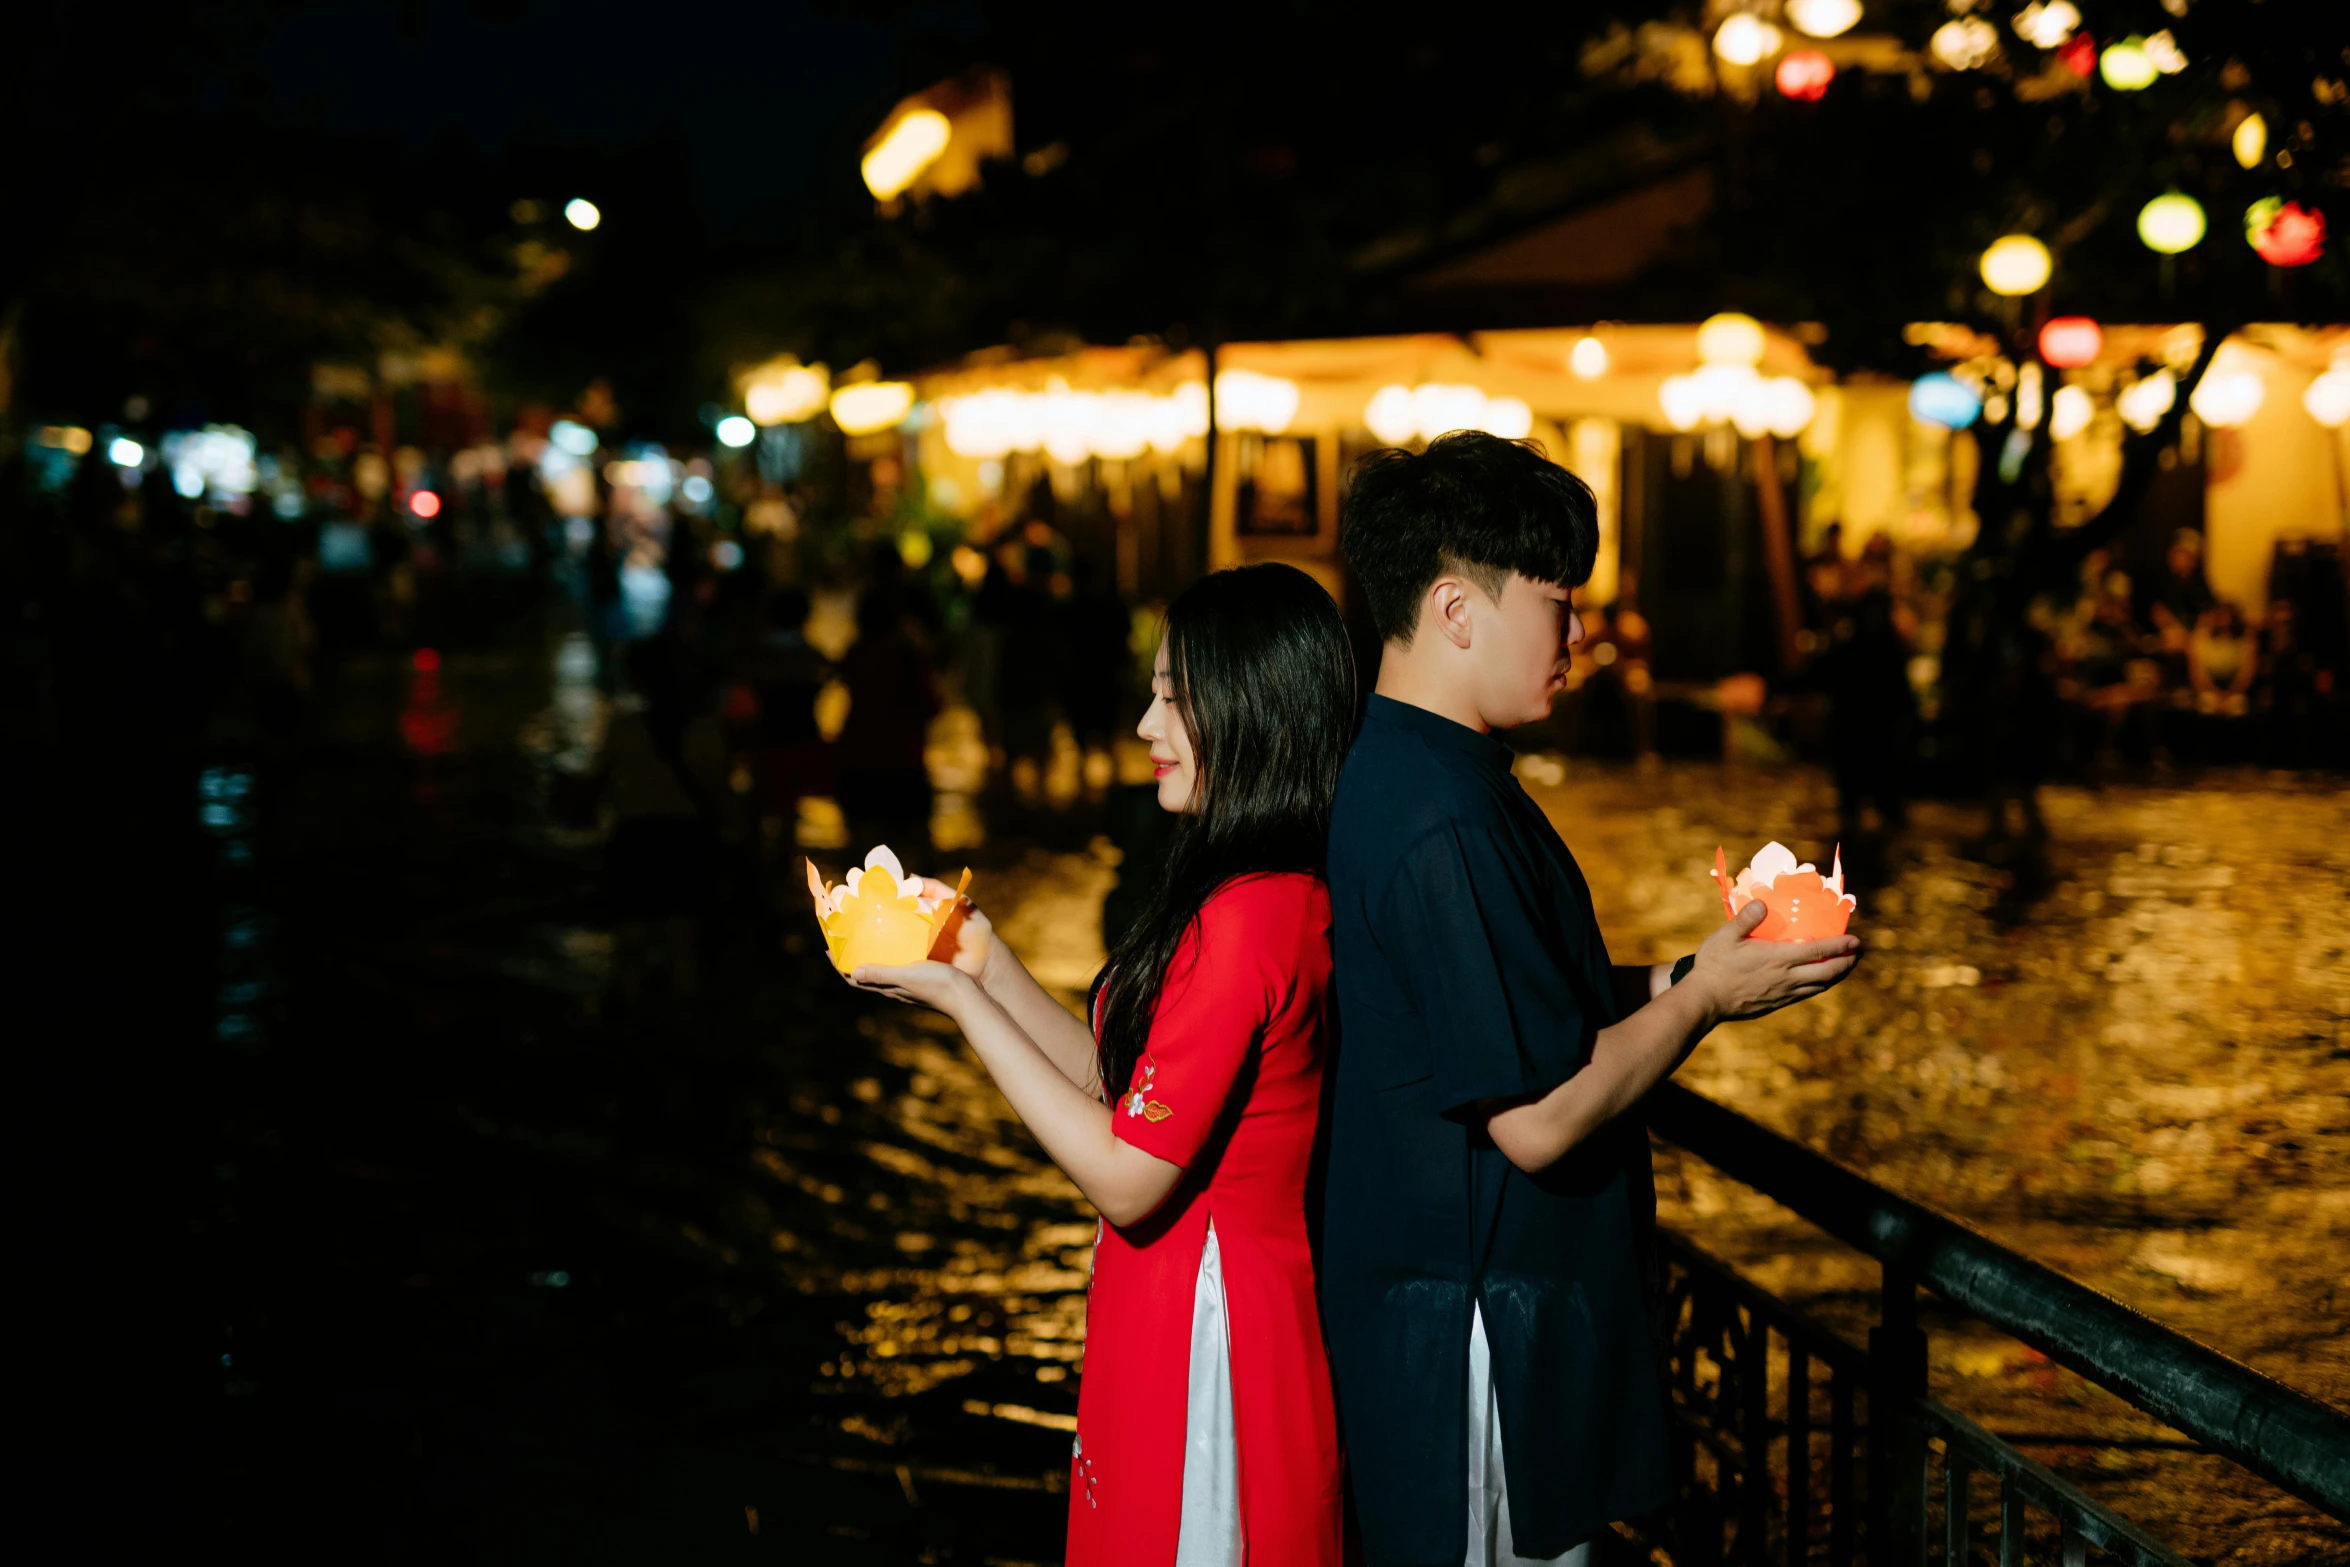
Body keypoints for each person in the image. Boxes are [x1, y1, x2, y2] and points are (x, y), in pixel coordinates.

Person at [1323, 432, 1861, 1567]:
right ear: (1456, 609)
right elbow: (1538, 1117)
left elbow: (1497, 999)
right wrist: (1704, 1000)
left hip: (1448, 1302)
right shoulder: (1445, 819)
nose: (1578, 635)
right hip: (1478, 1336)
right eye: (1556, 604)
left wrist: (1684, 975)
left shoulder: (1405, 769)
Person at [850, 563, 1354, 1566]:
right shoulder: (1263, 885)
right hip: (1198, 1291)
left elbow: (1128, 1174)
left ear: (1247, 709)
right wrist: (983, 962)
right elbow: (1127, 1091)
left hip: (1208, 1322)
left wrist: (955, 1001)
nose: (1143, 724)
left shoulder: (1244, 915)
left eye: (1171, 695)